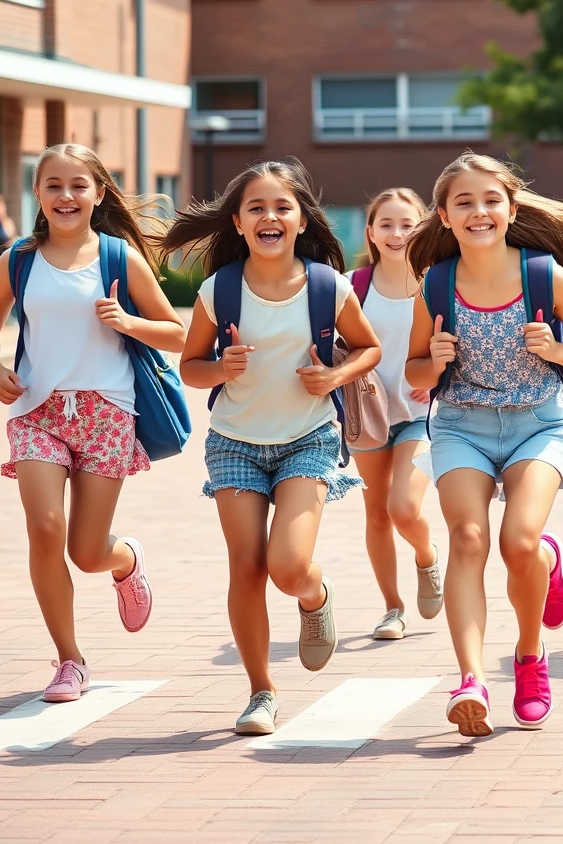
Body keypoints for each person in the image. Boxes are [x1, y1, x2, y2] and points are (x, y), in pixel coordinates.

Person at [405, 151, 563, 736]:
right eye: (463, 202)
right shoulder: (435, 285)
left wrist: (556, 349)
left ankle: (531, 653)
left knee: (519, 542)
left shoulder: (542, 274)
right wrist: (431, 362)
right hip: (462, 422)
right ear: (443, 215)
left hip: (539, 421)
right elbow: (413, 375)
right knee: (467, 538)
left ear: (512, 210)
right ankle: (471, 679)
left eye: (491, 200)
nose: (479, 211)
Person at [163, 158, 381, 736]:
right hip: (234, 442)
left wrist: (335, 378)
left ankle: (315, 594)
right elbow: (190, 368)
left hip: (308, 439)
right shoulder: (220, 291)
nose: (270, 216)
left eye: (282, 206)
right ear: (236, 223)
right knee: (247, 566)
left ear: (303, 219)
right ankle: (261, 691)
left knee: (287, 565)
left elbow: (368, 349)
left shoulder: (327, 287)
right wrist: (220, 368)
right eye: (256, 208)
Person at [0, 143, 186, 703]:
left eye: (77, 186)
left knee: (86, 552)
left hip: (107, 413)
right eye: (52, 186)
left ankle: (126, 560)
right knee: (45, 530)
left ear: (98, 193)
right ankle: (70, 660)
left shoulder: (119, 257)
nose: (65, 196)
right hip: (36, 412)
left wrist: (128, 322)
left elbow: (178, 334)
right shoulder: (18, 258)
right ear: (38, 195)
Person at [348, 188, 443, 641]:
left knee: (403, 507)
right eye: (386, 224)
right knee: (376, 515)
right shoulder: (352, 286)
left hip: (420, 413)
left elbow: (460, 343)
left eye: (407, 224)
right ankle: (392, 607)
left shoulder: (438, 283)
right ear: (370, 232)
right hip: (367, 416)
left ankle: (426, 556)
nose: (397, 233)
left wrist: (440, 378)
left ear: (422, 228)